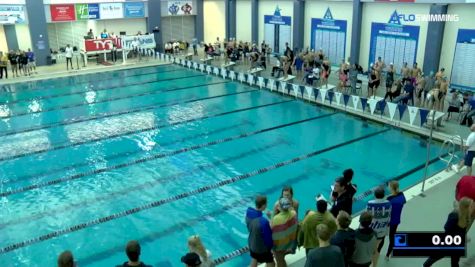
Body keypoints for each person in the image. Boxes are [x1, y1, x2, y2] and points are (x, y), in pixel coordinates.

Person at [423, 197, 474, 267]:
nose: (473, 207)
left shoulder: (467, 215)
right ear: (465, 207)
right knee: (438, 255)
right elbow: (447, 227)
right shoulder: (454, 215)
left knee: (455, 261)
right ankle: (426, 264)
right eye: (471, 206)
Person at [246, 195, 275, 267]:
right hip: (261, 249)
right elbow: (268, 240)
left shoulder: (248, 214)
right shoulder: (263, 222)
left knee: (254, 259)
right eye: (266, 204)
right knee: (271, 263)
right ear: (263, 205)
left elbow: (252, 228)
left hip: (251, 243)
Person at [367, 186, 391, 267]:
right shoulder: (388, 203)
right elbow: (389, 217)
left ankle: (373, 264)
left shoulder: (370, 203)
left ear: (374, 195)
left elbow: (367, 217)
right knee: (375, 248)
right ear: (384, 195)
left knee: (374, 249)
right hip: (382, 231)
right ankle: (374, 265)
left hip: (372, 231)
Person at [271, 198, 298, 267]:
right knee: (282, 258)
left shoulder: (276, 219)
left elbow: (271, 227)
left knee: (280, 261)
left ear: (279, 208)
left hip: (279, 246)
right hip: (289, 242)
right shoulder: (293, 213)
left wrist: (274, 209)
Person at [384, 181, 406, 261]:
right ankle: (387, 255)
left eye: (389, 186)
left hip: (389, 221)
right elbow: (404, 201)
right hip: (396, 219)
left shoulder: (389, 199)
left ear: (391, 188)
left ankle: (381, 253)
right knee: (392, 236)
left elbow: (385, 210)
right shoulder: (402, 195)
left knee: (384, 237)